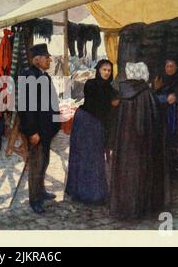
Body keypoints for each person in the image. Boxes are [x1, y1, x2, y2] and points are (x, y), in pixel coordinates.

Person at [109, 62, 169, 219]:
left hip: (125, 143)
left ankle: (124, 208)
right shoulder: (146, 93)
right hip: (142, 143)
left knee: (126, 173)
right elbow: (155, 117)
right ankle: (140, 209)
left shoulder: (123, 92)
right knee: (141, 174)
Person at [65, 59, 118, 205]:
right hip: (86, 122)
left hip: (96, 123)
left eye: (109, 70)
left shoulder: (109, 88)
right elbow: (97, 104)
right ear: (98, 70)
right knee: (84, 157)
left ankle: (94, 193)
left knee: (94, 158)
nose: (107, 73)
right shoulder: (91, 84)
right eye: (104, 70)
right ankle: (84, 193)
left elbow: (113, 99)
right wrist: (112, 103)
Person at [18, 43, 61, 214]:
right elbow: (26, 108)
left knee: (45, 162)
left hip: (46, 129)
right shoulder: (28, 76)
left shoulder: (44, 75)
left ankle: (41, 191)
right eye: (46, 57)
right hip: (36, 130)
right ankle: (34, 199)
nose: (50, 60)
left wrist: (55, 124)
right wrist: (32, 132)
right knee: (36, 164)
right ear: (37, 60)